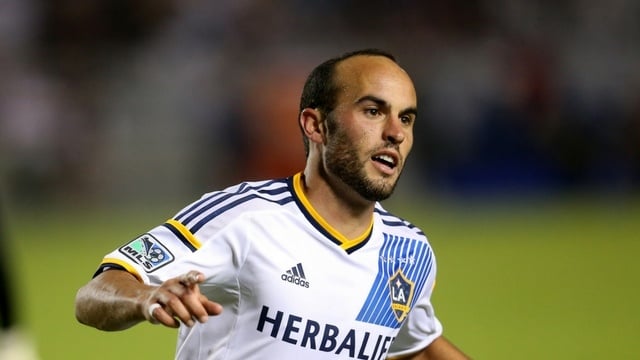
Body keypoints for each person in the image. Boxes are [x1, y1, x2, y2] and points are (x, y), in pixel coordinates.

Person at [75, 49, 470, 359]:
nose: (395, 133)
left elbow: (414, 348)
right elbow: (96, 293)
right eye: (373, 111)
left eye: (407, 118)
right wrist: (146, 298)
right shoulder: (243, 218)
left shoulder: (410, 253)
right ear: (316, 125)